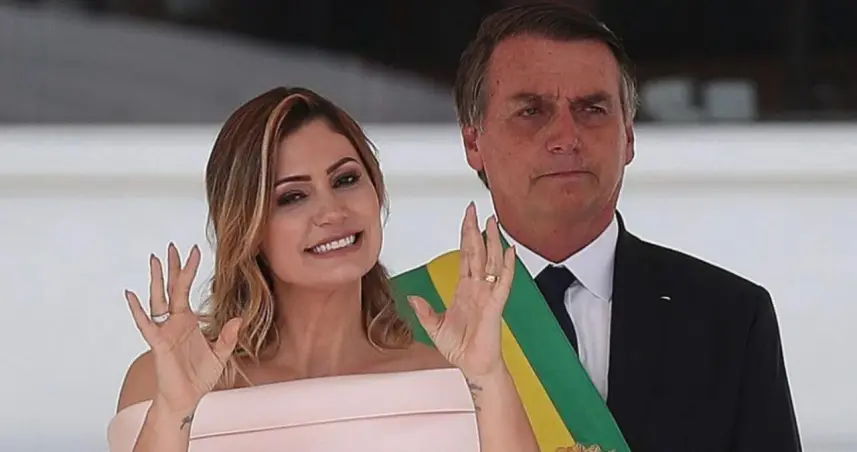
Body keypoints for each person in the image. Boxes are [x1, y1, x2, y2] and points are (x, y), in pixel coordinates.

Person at [391, 3, 802, 452]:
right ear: (473, 141)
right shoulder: (396, 321)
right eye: (531, 111)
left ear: (629, 136)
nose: (566, 137)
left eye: (592, 109)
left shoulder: (729, 318)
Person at [107, 87, 541, 452]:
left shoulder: (454, 375)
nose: (332, 212)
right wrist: (175, 412)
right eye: (292, 197)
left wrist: (488, 378)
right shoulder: (167, 379)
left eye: (345, 180)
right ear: (249, 228)